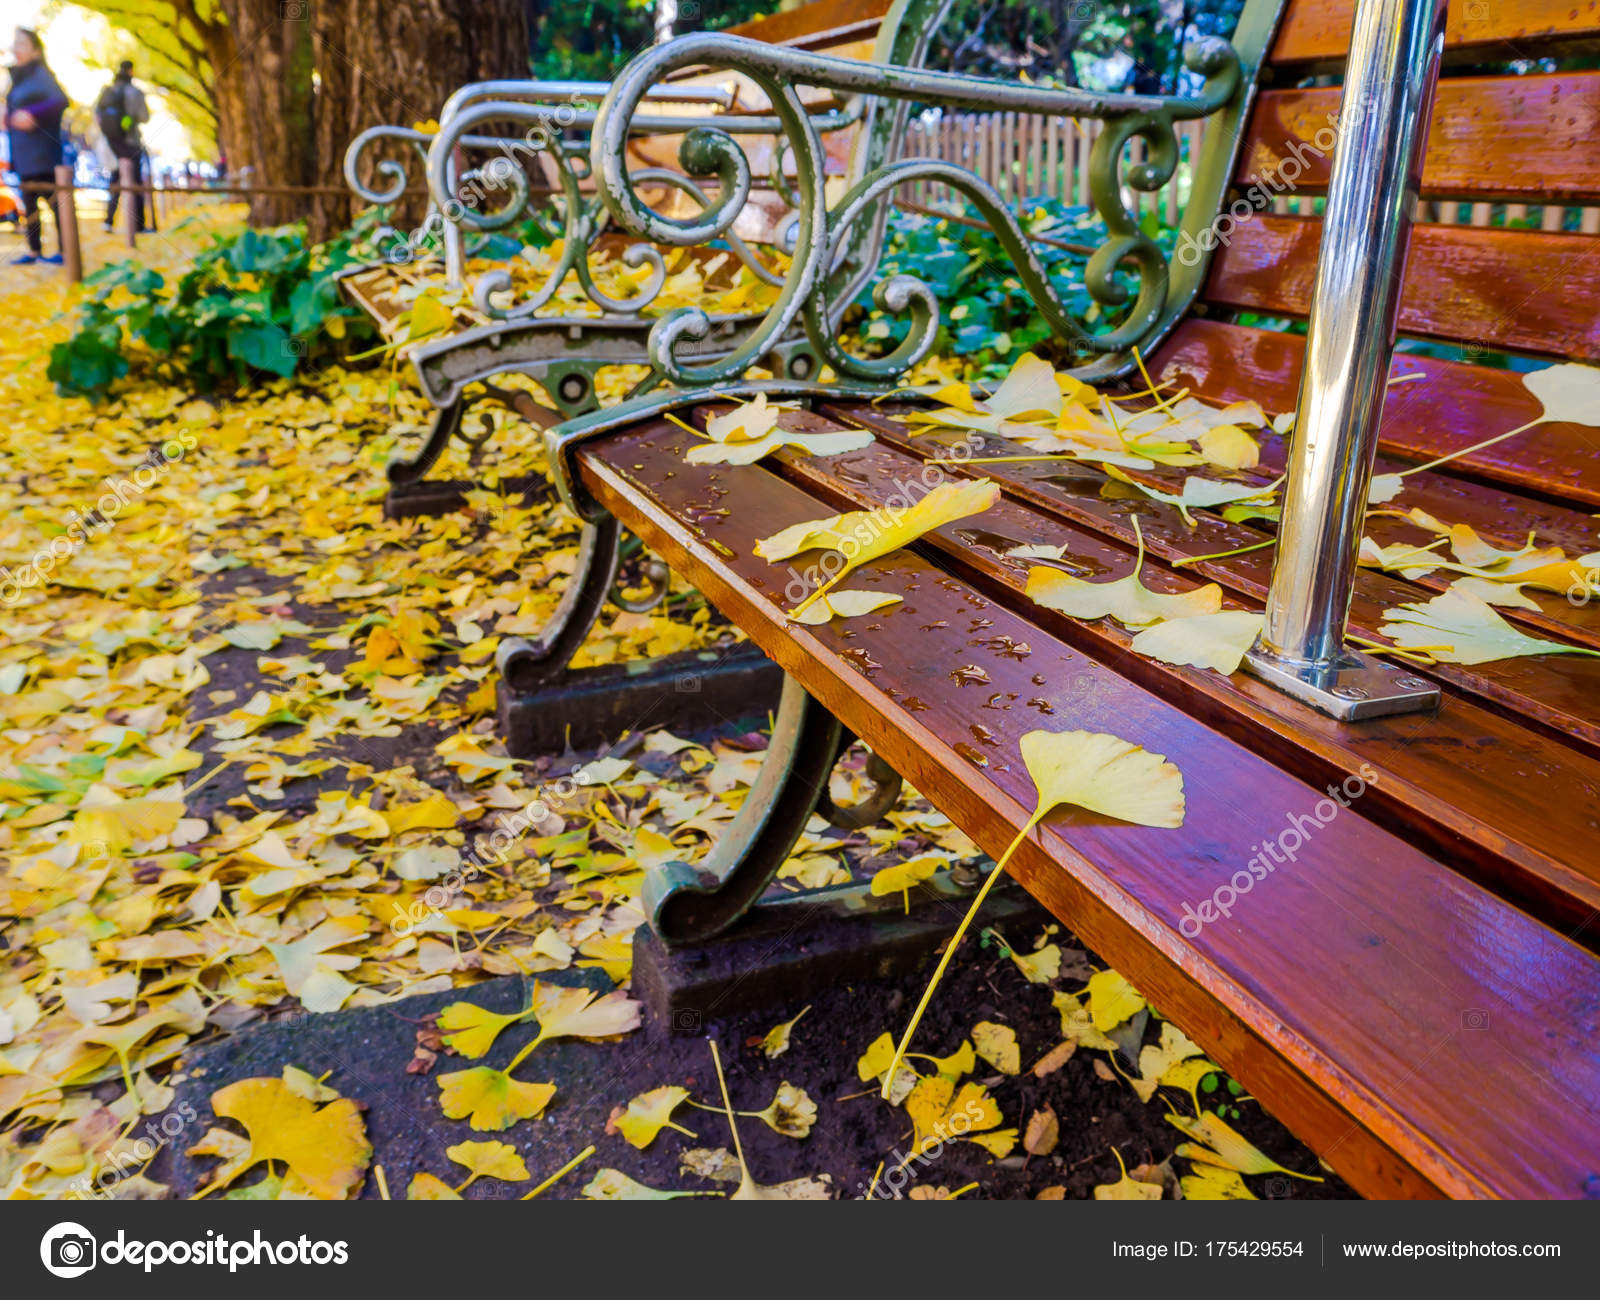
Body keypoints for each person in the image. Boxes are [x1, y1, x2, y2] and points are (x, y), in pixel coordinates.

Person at [4, 28, 68, 265]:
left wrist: (33, 114)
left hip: (42, 153)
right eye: (15, 42)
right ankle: (34, 251)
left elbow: (60, 100)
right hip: (23, 154)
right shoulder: (17, 79)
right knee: (29, 203)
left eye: (22, 43)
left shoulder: (40, 74)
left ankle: (66, 249)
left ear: (35, 50)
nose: (15, 47)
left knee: (54, 202)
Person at [96, 60, 149, 233]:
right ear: (131, 71)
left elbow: (98, 115)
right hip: (131, 142)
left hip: (113, 143)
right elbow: (144, 117)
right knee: (135, 182)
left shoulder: (108, 91)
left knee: (116, 181)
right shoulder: (134, 92)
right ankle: (138, 225)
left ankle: (109, 221)